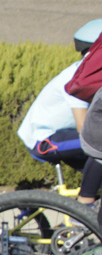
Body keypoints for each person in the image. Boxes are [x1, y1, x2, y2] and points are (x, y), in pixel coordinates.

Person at [16, 18, 102, 206]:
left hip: (66, 136)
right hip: (45, 140)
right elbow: (84, 129)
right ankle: (85, 204)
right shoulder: (77, 80)